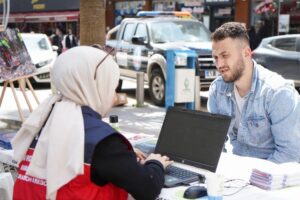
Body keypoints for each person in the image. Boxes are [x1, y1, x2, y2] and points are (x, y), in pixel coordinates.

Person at [12, 46, 172, 200]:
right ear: (96, 86)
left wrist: (123, 154)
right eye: (111, 87)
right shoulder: (104, 142)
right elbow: (147, 188)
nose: (115, 96)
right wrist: (155, 163)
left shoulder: (44, 118)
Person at [208, 22, 300, 164]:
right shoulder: (217, 90)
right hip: (233, 175)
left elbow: (290, 154)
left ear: (246, 53)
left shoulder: (278, 92)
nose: (219, 64)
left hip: (268, 179)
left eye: (225, 55)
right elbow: (215, 144)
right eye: (215, 57)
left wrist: (250, 177)